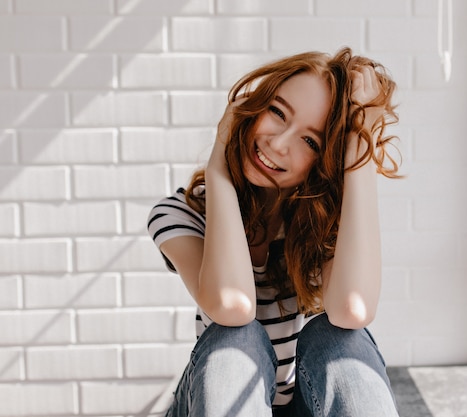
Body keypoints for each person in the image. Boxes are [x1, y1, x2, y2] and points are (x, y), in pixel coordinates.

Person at [147, 47, 401, 417]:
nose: (279, 144)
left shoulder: (316, 224)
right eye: (277, 113)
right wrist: (220, 166)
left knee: (339, 341)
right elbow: (231, 306)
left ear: (324, 160)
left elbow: (352, 310)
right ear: (251, 108)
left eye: (310, 141)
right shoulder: (181, 213)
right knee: (235, 338)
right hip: (214, 402)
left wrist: (361, 141)